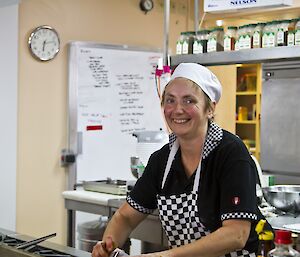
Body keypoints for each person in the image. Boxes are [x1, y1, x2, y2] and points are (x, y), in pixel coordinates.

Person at [92, 63, 271, 257]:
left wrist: (163, 256)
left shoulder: (231, 153)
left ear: (210, 108)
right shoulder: (162, 161)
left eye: (188, 100)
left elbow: (236, 234)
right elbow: (125, 217)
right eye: (170, 100)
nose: (177, 110)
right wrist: (107, 246)